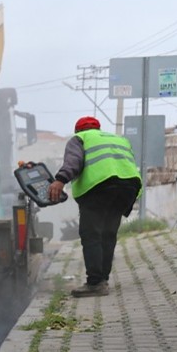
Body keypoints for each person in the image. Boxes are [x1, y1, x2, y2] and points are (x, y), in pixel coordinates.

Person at [47, 115, 142, 298]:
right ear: (98, 128)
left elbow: (73, 161)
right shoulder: (119, 139)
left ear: (79, 130)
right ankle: (102, 280)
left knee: (92, 235)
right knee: (108, 234)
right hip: (128, 188)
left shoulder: (80, 139)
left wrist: (60, 180)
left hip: (100, 187)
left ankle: (95, 282)